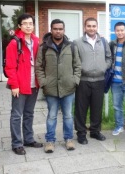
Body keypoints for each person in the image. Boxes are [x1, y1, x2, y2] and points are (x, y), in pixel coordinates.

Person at [35, 19, 81, 153]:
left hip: (68, 87)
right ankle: (50, 141)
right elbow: (39, 67)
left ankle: (68, 139)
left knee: (68, 115)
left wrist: (75, 80)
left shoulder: (72, 46)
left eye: (60, 29)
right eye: (55, 29)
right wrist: (43, 82)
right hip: (51, 89)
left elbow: (77, 66)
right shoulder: (43, 47)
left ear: (64, 30)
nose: (58, 31)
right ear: (51, 30)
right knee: (52, 116)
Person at [4, 13, 43, 155]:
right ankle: (16, 143)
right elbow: (10, 67)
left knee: (29, 114)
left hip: (34, 84)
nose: (28, 26)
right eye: (25, 23)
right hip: (19, 85)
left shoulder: (37, 41)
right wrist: (14, 85)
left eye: (31, 23)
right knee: (16, 115)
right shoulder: (14, 43)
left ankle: (28, 139)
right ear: (19, 26)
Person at [74, 17, 112, 144]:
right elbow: (75, 60)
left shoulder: (103, 41)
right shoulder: (77, 42)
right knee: (81, 108)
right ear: (85, 27)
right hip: (83, 80)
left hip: (99, 80)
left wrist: (103, 67)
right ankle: (81, 133)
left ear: (97, 27)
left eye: (94, 26)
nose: (91, 28)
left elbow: (109, 57)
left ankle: (95, 131)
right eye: (89, 26)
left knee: (97, 107)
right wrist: (81, 69)